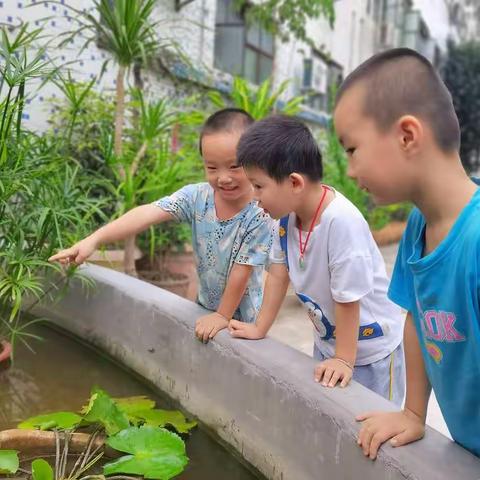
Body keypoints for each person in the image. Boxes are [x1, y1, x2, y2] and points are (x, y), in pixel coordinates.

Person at [333, 47, 480, 459]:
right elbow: (416, 315)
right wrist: (413, 412)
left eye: (351, 149)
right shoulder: (419, 224)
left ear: (407, 136)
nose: (348, 169)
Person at [50, 108, 273, 343]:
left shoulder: (261, 212)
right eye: (212, 168)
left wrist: (221, 315)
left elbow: (242, 271)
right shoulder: (196, 197)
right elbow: (147, 212)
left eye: (234, 166)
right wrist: (94, 239)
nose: (223, 177)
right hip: (206, 308)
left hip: (243, 324)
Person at [229, 114, 405, 405]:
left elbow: (348, 299)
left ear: (295, 182)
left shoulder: (340, 222)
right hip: (330, 344)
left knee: (374, 426)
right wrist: (260, 327)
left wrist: (345, 360)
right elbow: (277, 273)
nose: (254, 197)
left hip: (371, 352)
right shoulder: (285, 219)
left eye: (258, 186)